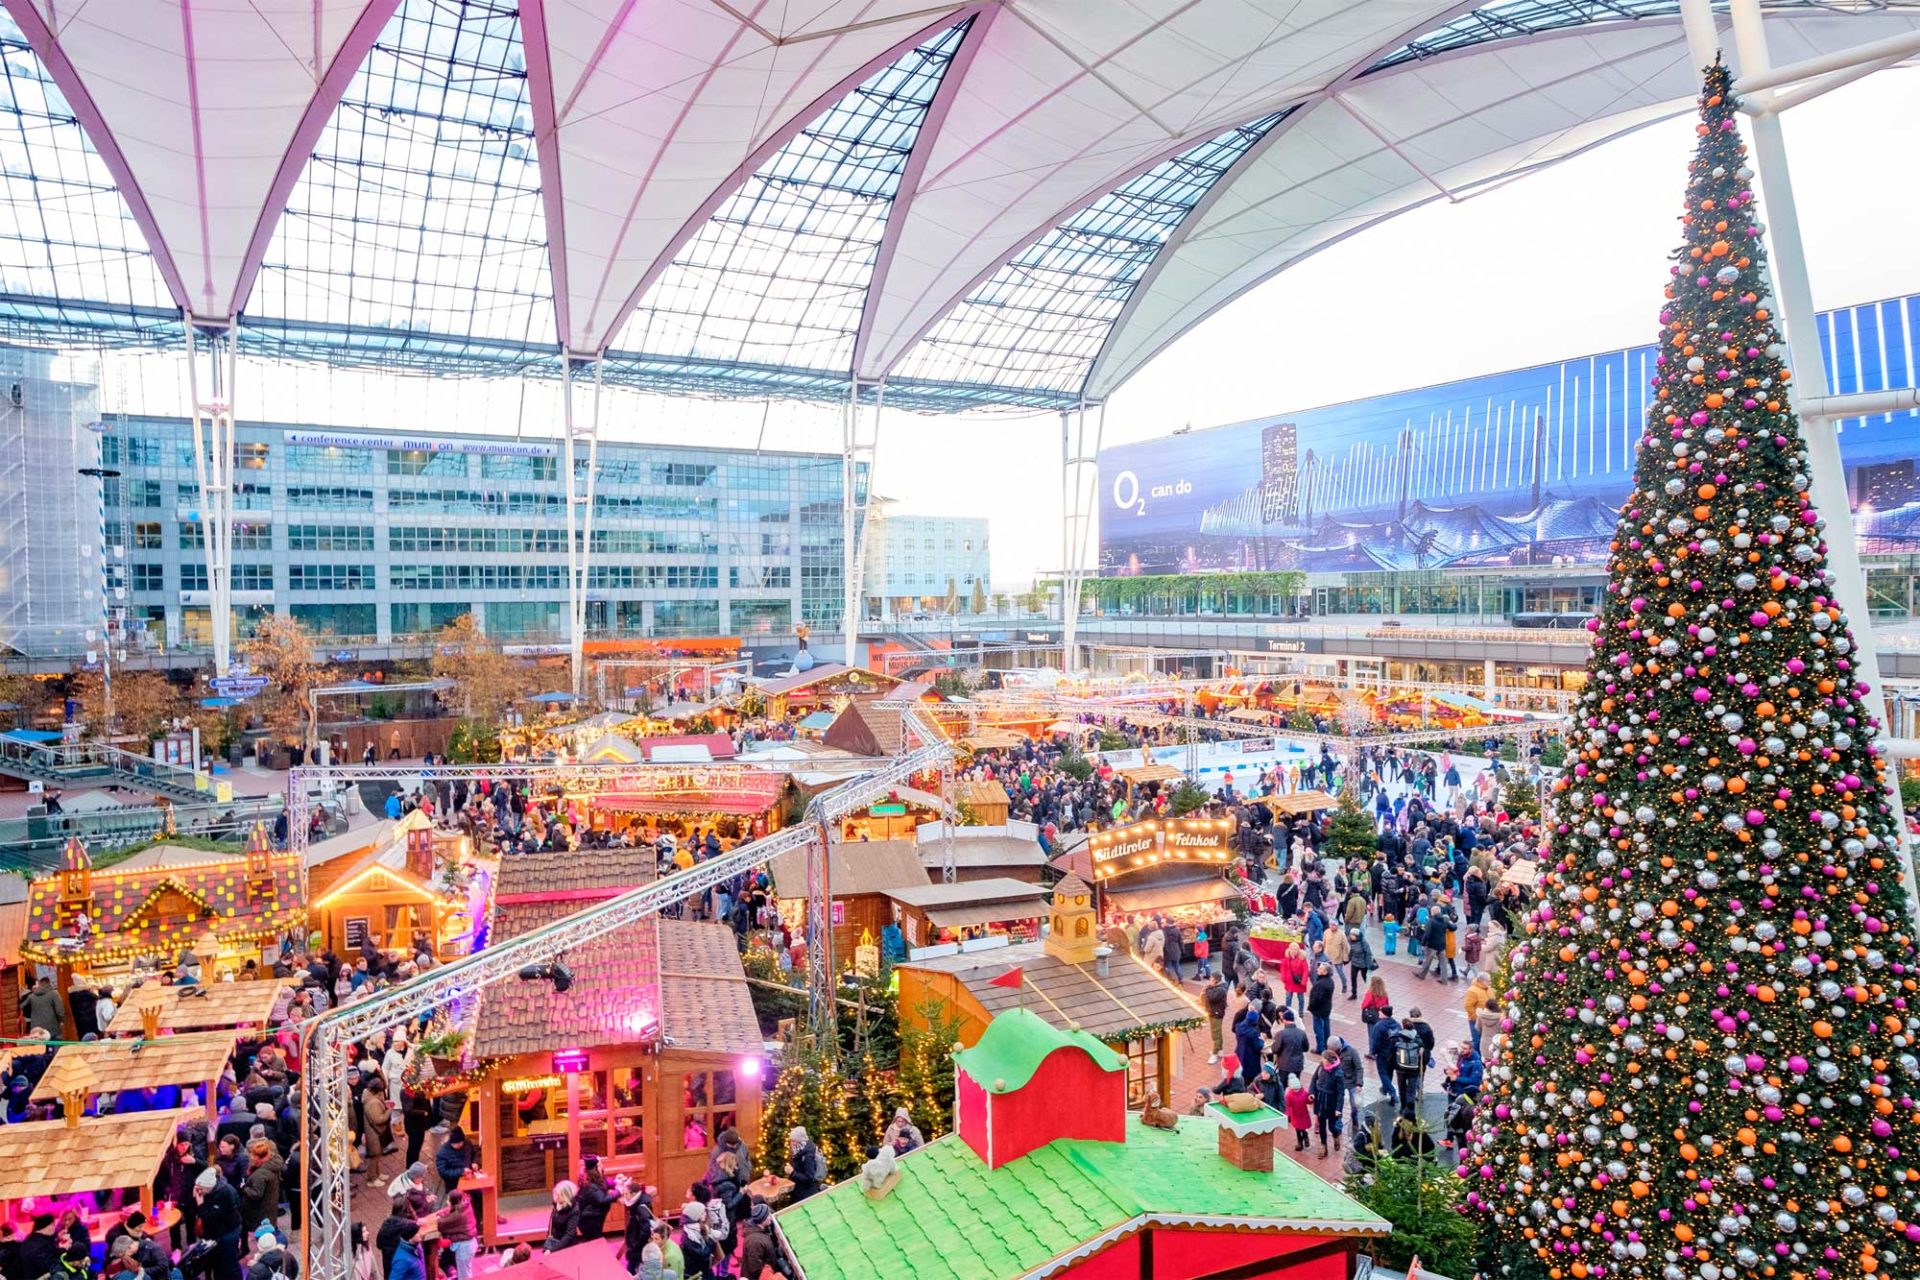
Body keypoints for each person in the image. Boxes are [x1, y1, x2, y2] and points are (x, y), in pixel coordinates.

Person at [195, 1165, 245, 1280]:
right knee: (219, 1264)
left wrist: (200, 1204)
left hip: (228, 1233)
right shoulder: (210, 1191)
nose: (199, 1191)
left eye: (201, 1189)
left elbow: (210, 1217)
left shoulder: (225, 1193)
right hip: (217, 1232)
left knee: (230, 1264)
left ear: (209, 1186)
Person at [1308, 1050, 1346, 1156]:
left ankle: (1335, 1135)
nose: (1322, 1060)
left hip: (1331, 1103)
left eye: (1324, 1059)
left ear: (1329, 1061)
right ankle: (1323, 1146)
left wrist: (1338, 1108)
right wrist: (1312, 1093)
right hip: (1320, 1100)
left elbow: (1340, 1093)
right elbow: (1314, 1079)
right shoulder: (1321, 1067)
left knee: (1332, 1126)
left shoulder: (1338, 1073)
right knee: (1321, 1126)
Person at [438, 1190, 477, 1280]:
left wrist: (439, 1216)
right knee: (465, 1270)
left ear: (454, 1202)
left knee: (465, 1275)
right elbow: (449, 1211)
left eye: (448, 1200)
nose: (446, 1202)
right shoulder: (465, 1205)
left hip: (464, 1248)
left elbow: (441, 1224)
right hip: (469, 1244)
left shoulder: (458, 1215)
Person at [574, 1158, 614, 1241]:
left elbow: (606, 1183)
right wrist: (618, 1192)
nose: (603, 1167)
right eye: (600, 1165)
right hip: (589, 1220)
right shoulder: (590, 1185)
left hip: (593, 1218)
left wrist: (616, 1181)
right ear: (594, 1169)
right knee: (594, 1242)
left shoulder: (594, 1179)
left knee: (594, 1241)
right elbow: (602, 1199)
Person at [738, 1203, 779, 1280]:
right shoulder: (755, 1241)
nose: (770, 1217)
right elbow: (755, 1268)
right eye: (768, 1216)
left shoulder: (761, 1231)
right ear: (763, 1219)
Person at [786, 1126, 827, 1204]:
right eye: (791, 1140)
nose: (791, 1143)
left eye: (794, 1141)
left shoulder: (808, 1156)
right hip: (798, 1190)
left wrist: (792, 1173)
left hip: (805, 1195)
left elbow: (809, 1178)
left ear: (800, 1141)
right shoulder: (797, 1150)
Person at [1270, 1009, 1308, 1086]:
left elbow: (1275, 1049)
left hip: (1284, 1065)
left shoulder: (1281, 1034)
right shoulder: (1301, 1033)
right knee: (1294, 1087)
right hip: (1297, 1065)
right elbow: (1306, 1048)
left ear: (1284, 1020)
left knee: (1282, 1087)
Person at [435, 1125, 477, 1191]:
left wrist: (474, 1162)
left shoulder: (467, 1143)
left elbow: (473, 1154)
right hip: (454, 1186)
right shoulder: (442, 1153)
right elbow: (443, 1172)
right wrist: (461, 1171)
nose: (458, 1145)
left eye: (460, 1143)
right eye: (456, 1144)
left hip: (470, 1180)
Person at [1306, 962, 1335, 1054]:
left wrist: (1311, 1007)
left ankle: (1320, 1048)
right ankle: (1327, 1045)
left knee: (1318, 1029)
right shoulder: (1330, 981)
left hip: (1319, 1010)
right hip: (1326, 1008)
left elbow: (1317, 998)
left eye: (1321, 969)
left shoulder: (1320, 984)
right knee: (1326, 1028)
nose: (1317, 969)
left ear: (1325, 972)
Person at [543, 1181, 579, 1252]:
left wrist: (553, 1249)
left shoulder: (574, 1210)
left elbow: (569, 1235)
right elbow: (551, 1224)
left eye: (558, 1194)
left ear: (565, 1196)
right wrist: (548, 1241)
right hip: (555, 1241)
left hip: (567, 1246)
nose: (555, 1197)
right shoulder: (556, 1204)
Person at [1463, 974, 1494, 1053]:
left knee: (1484, 1040)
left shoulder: (1489, 989)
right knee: (1476, 1040)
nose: (1490, 983)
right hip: (1476, 1020)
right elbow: (1468, 1006)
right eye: (1488, 981)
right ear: (1481, 981)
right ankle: (1476, 1056)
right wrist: (1475, 1018)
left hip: (1487, 1020)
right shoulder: (1472, 991)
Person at [1202, 972, 1228, 1064]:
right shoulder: (1217, 988)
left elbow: (1212, 997)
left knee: (1215, 1034)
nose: (1209, 981)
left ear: (1216, 980)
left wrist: (1208, 988)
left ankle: (1214, 1054)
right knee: (1217, 1032)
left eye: (1211, 979)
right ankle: (1220, 1050)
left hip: (1216, 1014)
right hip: (1213, 1012)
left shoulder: (1220, 989)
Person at [1283, 1079, 1312, 1152]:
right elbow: (1287, 1105)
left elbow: (1308, 1101)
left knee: (1302, 1128)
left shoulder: (1304, 1093)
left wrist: (1311, 1099)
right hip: (1295, 1114)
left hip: (1302, 1114)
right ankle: (1300, 1142)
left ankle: (1304, 1138)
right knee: (1298, 1129)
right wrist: (1288, 1114)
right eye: (1295, 1089)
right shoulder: (1289, 1095)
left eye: (1297, 1088)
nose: (1296, 1090)